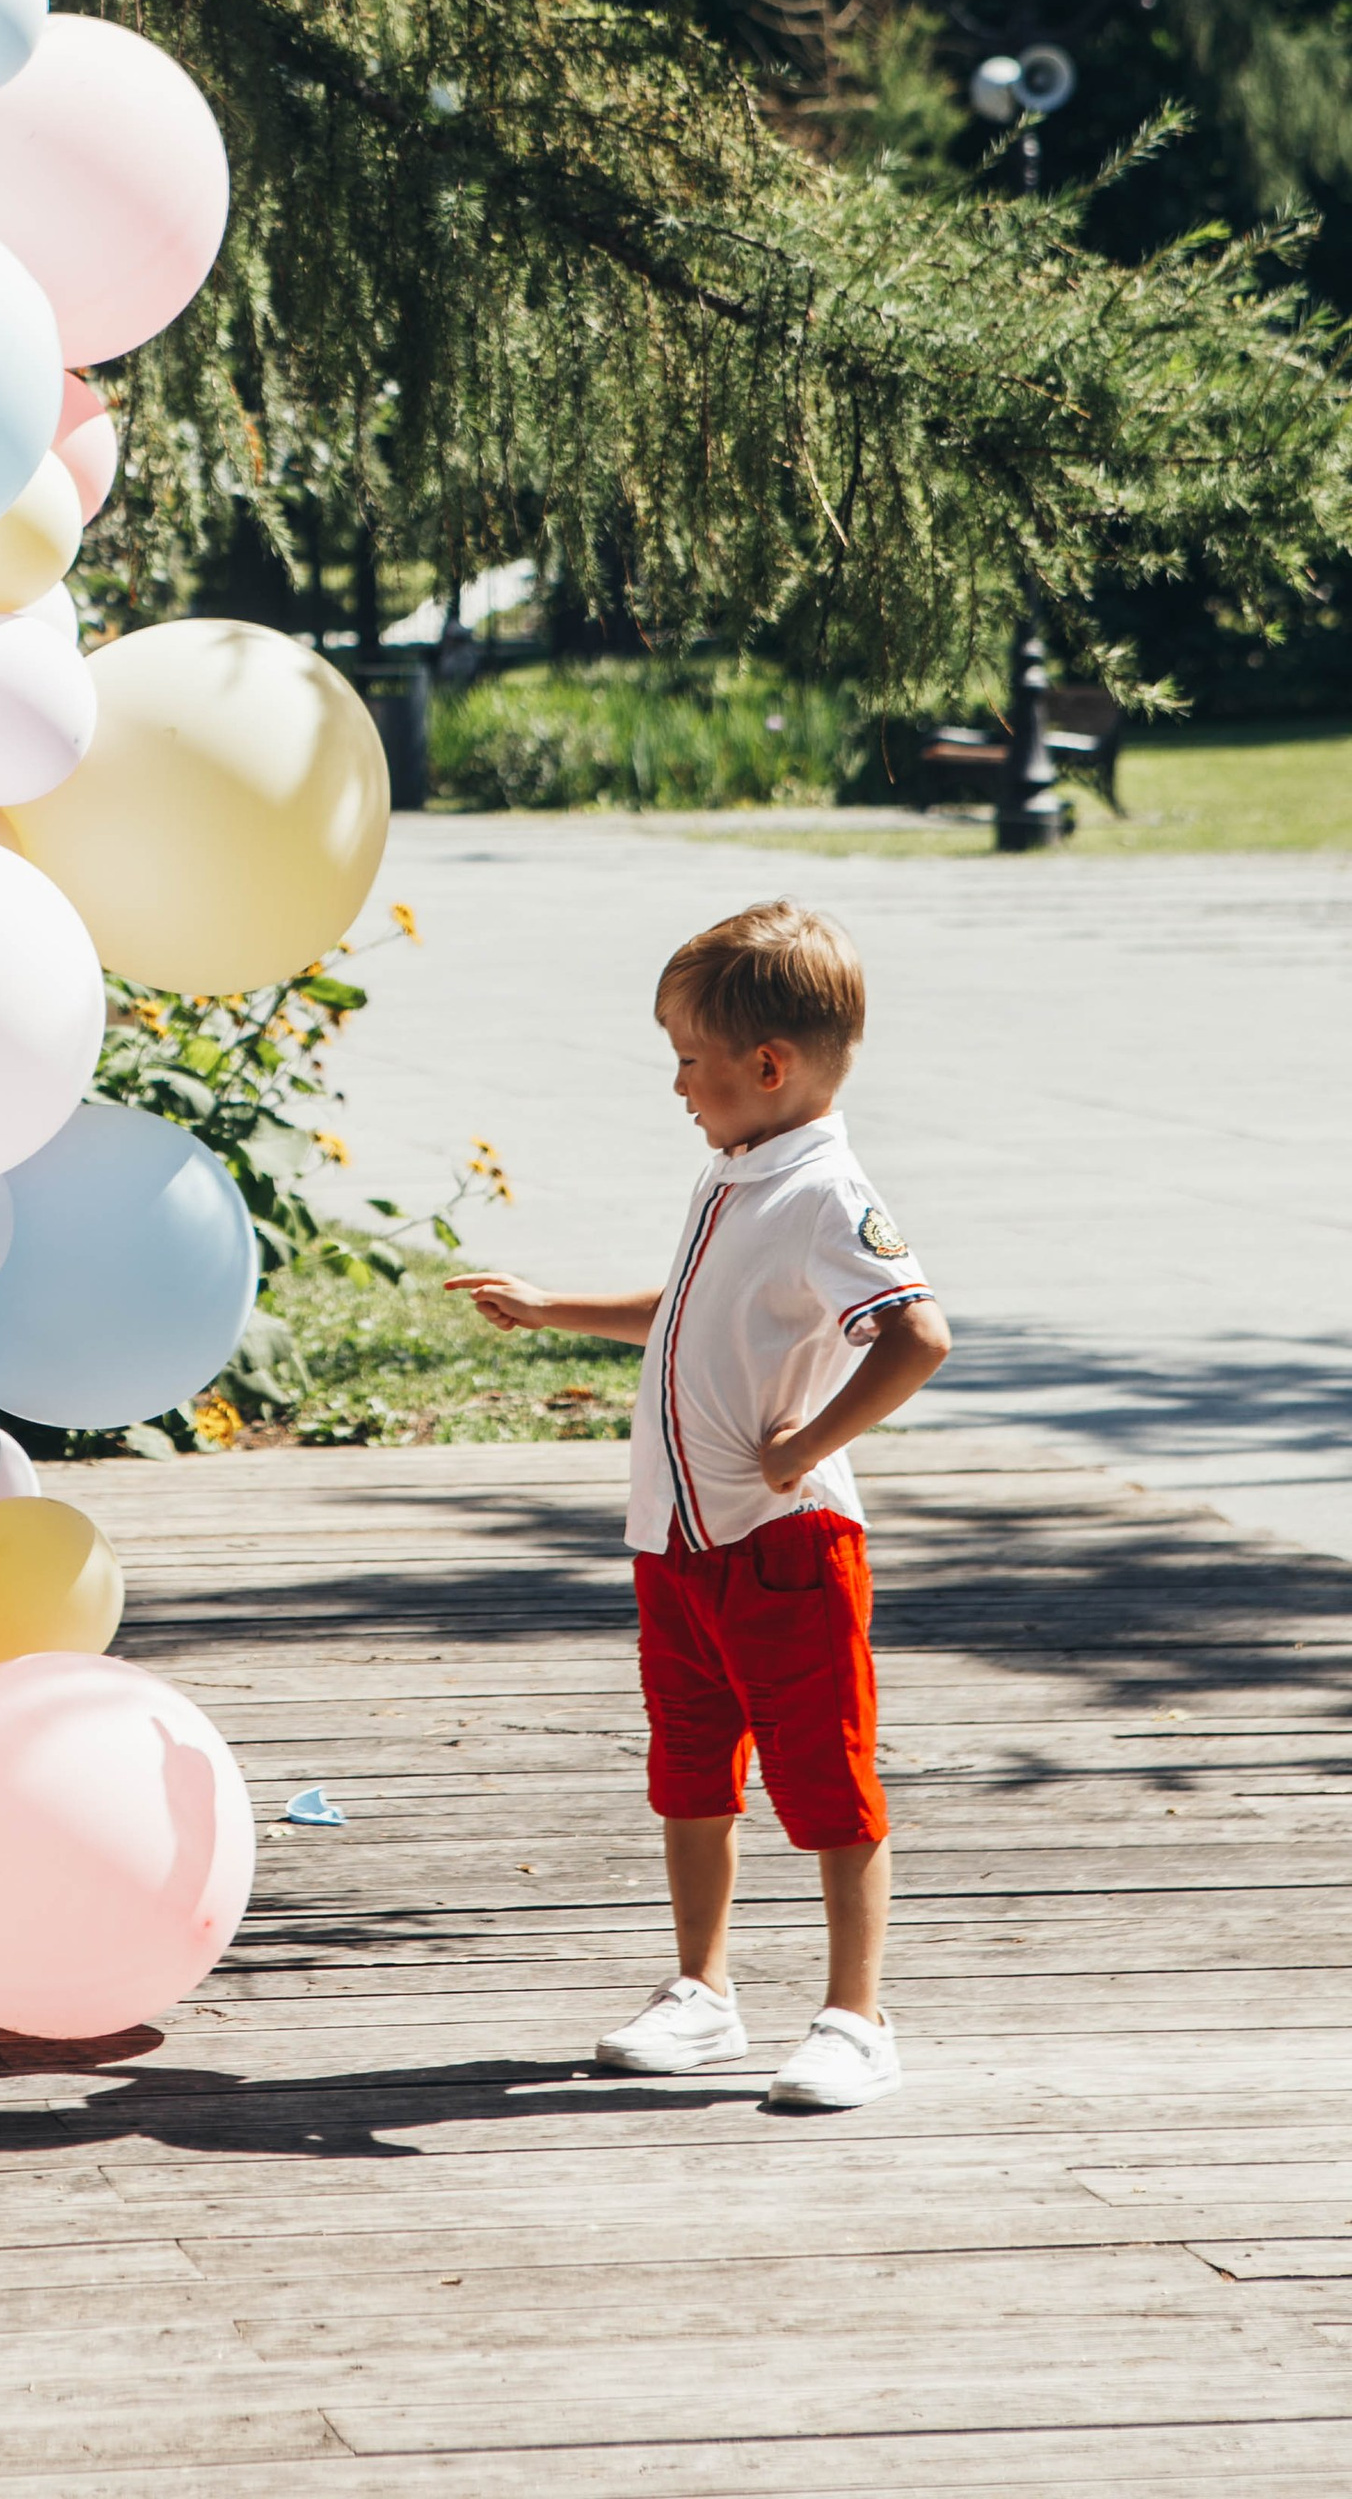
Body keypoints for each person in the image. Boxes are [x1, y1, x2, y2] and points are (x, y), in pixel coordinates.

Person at [448, 898, 950, 2112]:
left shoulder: (824, 1192)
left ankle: (854, 2016)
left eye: (688, 1058)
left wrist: (806, 1444)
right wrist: (553, 1305)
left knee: (824, 1775)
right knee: (690, 1767)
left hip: (782, 1542)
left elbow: (916, 1336)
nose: (676, 1083)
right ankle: (702, 1995)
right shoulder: (739, 1169)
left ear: (766, 1066)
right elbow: (683, 1314)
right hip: (678, 1542)